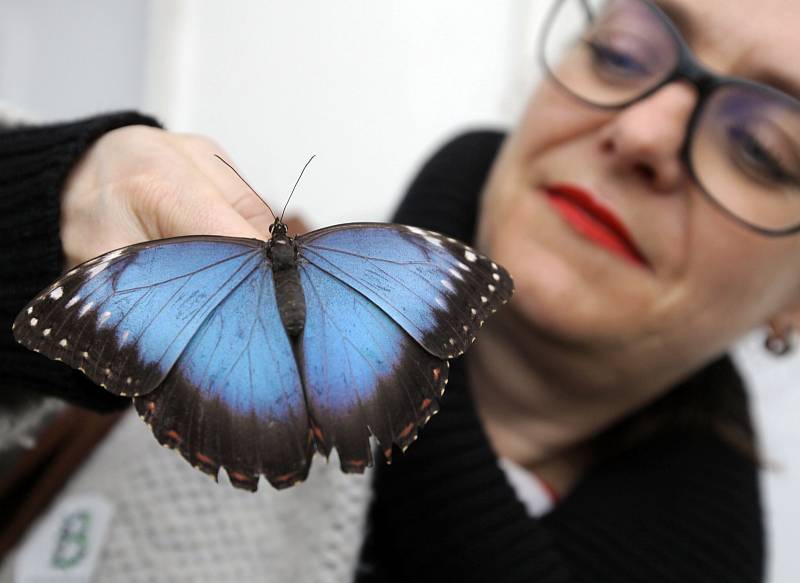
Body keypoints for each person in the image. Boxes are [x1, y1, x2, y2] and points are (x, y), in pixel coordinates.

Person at [1, 0, 793, 580]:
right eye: (622, 52)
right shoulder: (148, 252)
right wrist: (33, 208)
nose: (644, 132)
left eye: (762, 148)